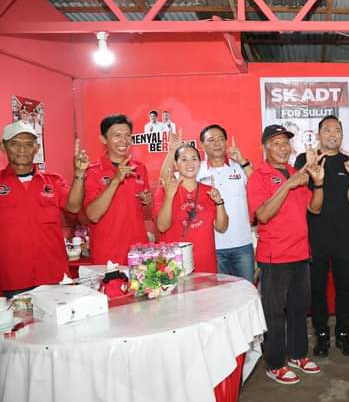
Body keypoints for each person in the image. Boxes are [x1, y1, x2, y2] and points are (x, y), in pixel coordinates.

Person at [247, 124, 325, 385]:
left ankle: (298, 354)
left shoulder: (295, 172)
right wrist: (288, 185)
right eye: (276, 143)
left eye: (286, 143)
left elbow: (315, 208)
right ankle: (275, 363)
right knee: (274, 313)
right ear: (265, 148)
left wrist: (318, 183)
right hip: (275, 256)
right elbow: (263, 215)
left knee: (299, 309)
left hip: (300, 253)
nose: (283, 148)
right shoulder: (258, 176)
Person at [294, 116, 349, 357]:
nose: (333, 134)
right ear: (318, 134)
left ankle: (343, 335)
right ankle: (321, 335)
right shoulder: (305, 159)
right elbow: (297, 191)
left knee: (345, 289)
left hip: (343, 236)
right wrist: (308, 168)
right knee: (318, 290)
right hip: (315, 236)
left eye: (337, 130)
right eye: (327, 130)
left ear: (342, 135)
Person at [0, 121, 88, 297]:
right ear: (3, 147)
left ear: (37, 148)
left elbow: (73, 207)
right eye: (15, 144)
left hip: (54, 276)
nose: (22, 150)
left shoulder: (53, 181)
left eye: (28, 144)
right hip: (12, 280)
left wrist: (79, 173)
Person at [84, 115, 151, 265]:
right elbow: (93, 215)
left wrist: (146, 200)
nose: (124, 141)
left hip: (139, 252)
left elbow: (140, 208)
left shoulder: (140, 168)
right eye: (117, 135)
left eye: (128, 135)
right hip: (108, 254)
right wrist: (115, 181)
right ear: (103, 139)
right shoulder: (93, 171)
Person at [154, 144, 228, 272]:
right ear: (176, 164)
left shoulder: (209, 191)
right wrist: (169, 197)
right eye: (184, 159)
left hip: (205, 265)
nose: (190, 163)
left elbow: (222, 228)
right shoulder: (165, 190)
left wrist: (219, 202)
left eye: (194, 159)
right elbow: (162, 227)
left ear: (199, 163)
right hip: (173, 267)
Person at [196, 124, 255, 281]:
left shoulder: (241, 167)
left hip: (242, 244)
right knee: (219, 294)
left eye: (221, 139)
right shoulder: (196, 170)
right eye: (211, 140)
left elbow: (259, 187)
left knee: (246, 291)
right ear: (201, 145)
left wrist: (242, 161)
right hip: (212, 248)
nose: (217, 143)